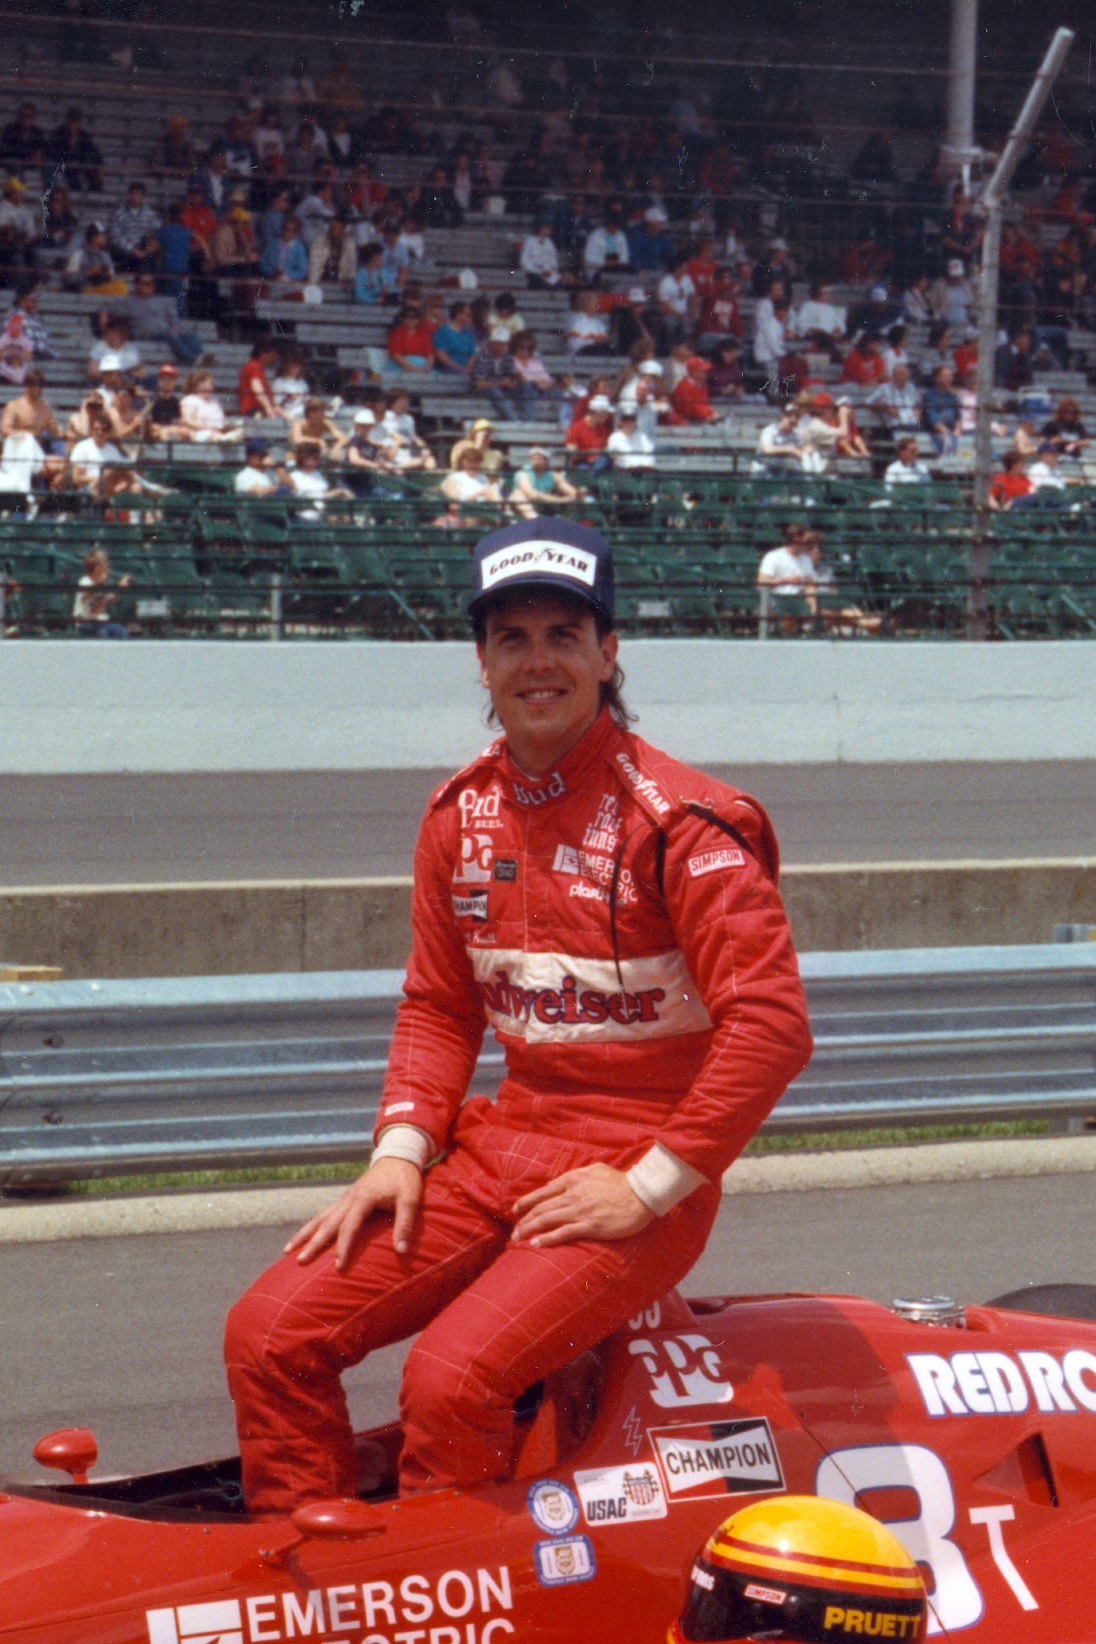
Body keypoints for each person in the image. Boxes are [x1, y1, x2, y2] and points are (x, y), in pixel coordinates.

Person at [221, 524, 811, 1515]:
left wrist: (648, 1188)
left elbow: (770, 1028)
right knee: (268, 1333)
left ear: (607, 652)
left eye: (562, 634)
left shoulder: (684, 823)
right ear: (481, 663)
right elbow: (440, 1006)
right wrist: (400, 1153)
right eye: (511, 638)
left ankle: (446, 1613)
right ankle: (305, 1584)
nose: (537, 660)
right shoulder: (459, 815)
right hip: (500, 1155)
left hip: (633, 1176)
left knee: (451, 1383)